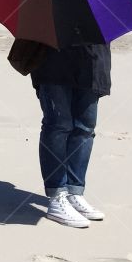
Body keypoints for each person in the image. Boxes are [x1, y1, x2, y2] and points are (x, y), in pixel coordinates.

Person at [30, 37, 111, 228]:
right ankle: (57, 194)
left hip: (93, 58)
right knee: (58, 125)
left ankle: (75, 191)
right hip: (52, 58)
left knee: (85, 128)